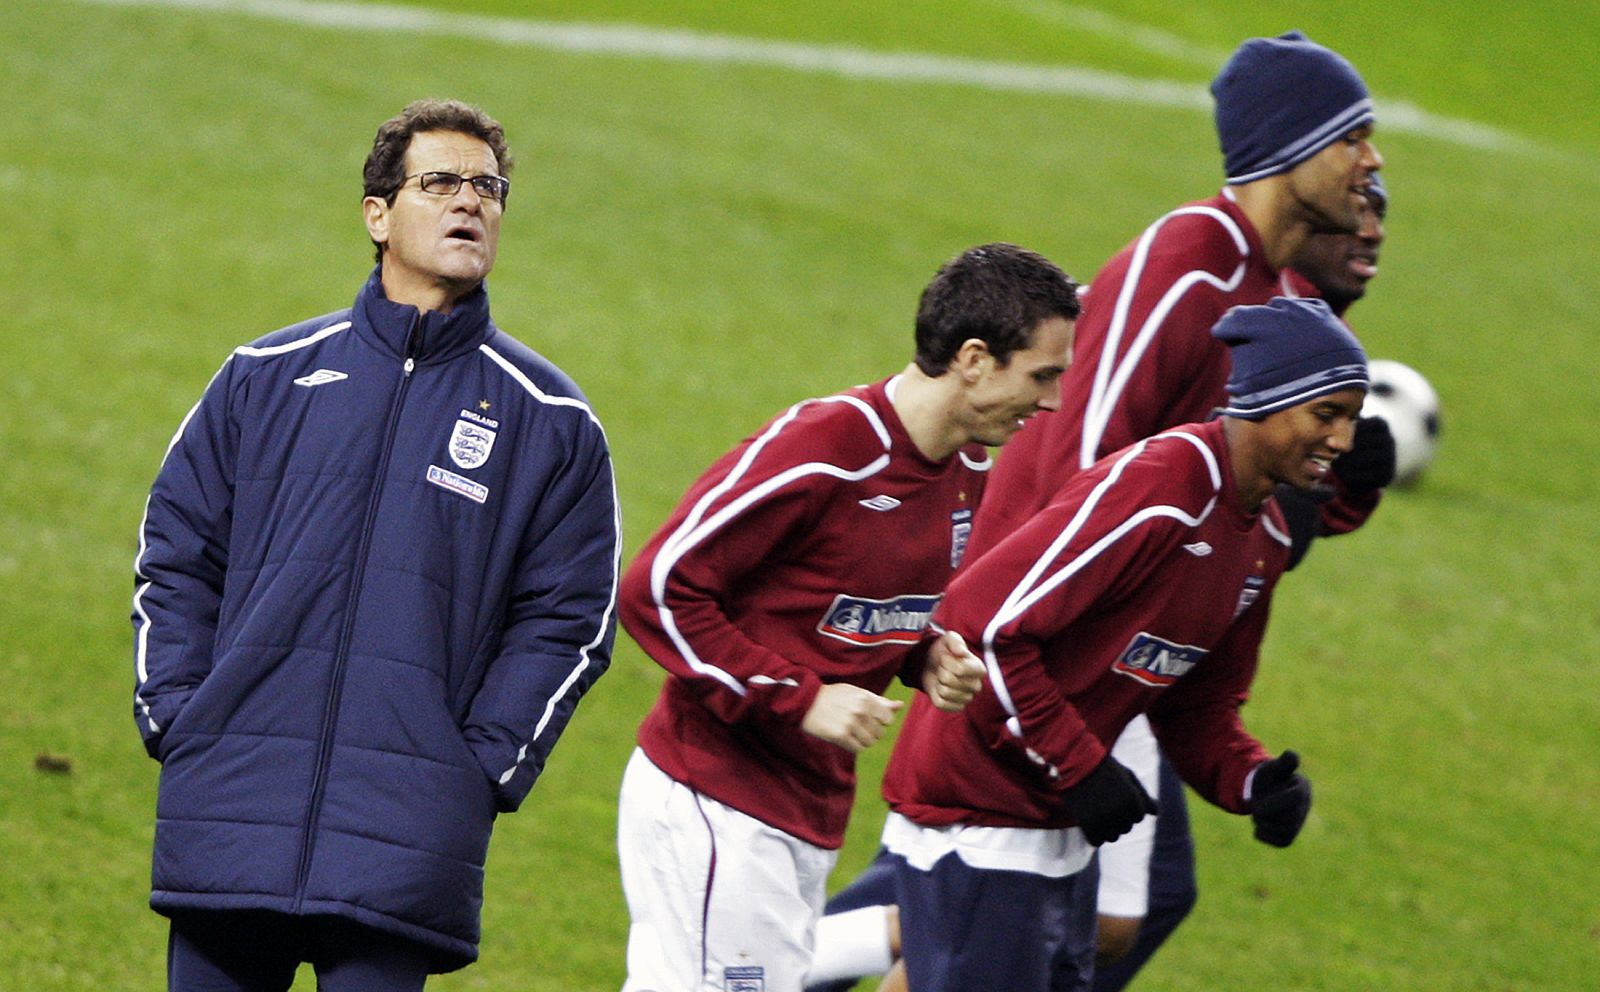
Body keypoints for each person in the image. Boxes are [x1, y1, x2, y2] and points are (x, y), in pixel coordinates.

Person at [807, 31, 1387, 992]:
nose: (1371, 164)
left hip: (1120, 634)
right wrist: (1047, 615)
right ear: (1289, 150)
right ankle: (751, 968)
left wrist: (1334, 484)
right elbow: (1089, 461)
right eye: (1351, 138)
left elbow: (1247, 514)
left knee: (1068, 905)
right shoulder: (1190, 260)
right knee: (981, 880)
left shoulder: (1276, 294)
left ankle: (767, 965)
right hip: (1046, 619)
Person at [131, 99, 620, 991]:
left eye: (489, 187)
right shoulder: (265, 377)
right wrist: (179, 712)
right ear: (378, 213)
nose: (470, 202)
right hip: (232, 800)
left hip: (407, 832)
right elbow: (176, 553)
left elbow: (571, 618)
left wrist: (477, 769)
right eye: (440, 182)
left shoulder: (550, 422)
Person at [615, 244, 1083, 992]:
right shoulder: (825, 452)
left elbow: (850, 600)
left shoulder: (965, 471)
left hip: (803, 809)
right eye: (1042, 375)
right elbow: (657, 589)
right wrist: (800, 697)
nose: (1054, 402)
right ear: (973, 358)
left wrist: (923, 655)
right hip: (715, 801)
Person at [875, 296, 1368, 992]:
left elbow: (1197, 702)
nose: (1344, 442)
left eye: (1353, 418)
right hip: (979, 818)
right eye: (1327, 414)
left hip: (1061, 835)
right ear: (1264, 400)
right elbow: (983, 628)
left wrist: (1252, 780)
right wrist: (1079, 766)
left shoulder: (1263, 537)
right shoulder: (1159, 491)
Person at [1090, 172, 1392, 992]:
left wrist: (1348, 489)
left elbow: (1267, 537)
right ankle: (827, 956)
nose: (1371, 230)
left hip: (1142, 657)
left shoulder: (1302, 343)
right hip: (1085, 652)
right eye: (1360, 208)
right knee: (986, 888)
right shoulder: (1231, 309)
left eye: (1382, 217)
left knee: (1025, 909)